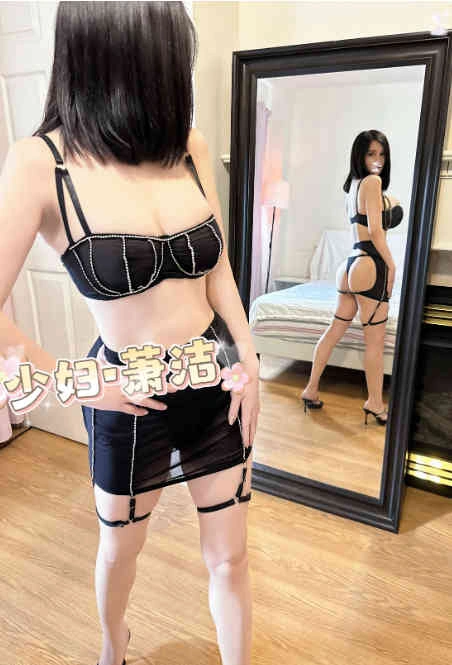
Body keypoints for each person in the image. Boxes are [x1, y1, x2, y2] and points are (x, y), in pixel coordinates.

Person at [0, 3, 260, 665]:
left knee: (230, 557)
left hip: (214, 381)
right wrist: (82, 384)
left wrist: (249, 357)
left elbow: (218, 268)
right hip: (127, 399)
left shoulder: (188, 147)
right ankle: (112, 646)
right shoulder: (41, 163)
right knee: (121, 549)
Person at [300, 129, 403, 426]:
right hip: (370, 264)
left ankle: (311, 389)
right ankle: (375, 402)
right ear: (360, 155)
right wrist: (392, 265)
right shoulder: (372, 182)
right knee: (375, 342)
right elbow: (376, 232)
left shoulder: (354, 186)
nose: (378, 160)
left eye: (382, 154)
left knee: (334, 331)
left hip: (349, 266)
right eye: (371, 154)